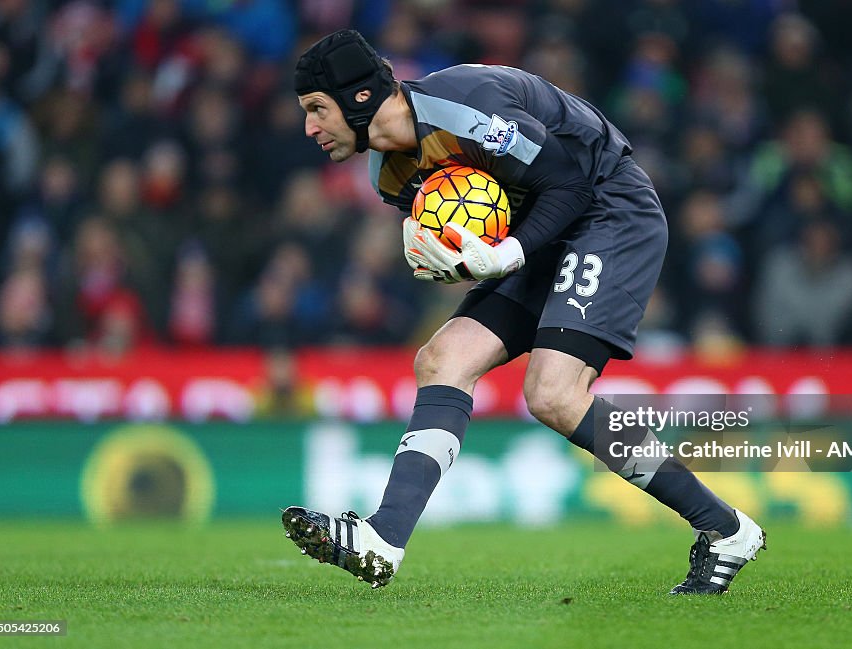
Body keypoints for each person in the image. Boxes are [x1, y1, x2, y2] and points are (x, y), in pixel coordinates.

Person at [282, 30, 766, 595]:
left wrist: (502, 252)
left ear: (360, 98)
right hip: (540, 229)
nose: (310, 128)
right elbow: (482, 215)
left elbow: (569, 185)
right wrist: (445, 256)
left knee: (554, 394)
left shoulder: (465, 109)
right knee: (440, 360)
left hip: (608, 210)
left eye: (317, 109)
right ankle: (383, 540)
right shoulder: (386, 173)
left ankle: (723, 528)